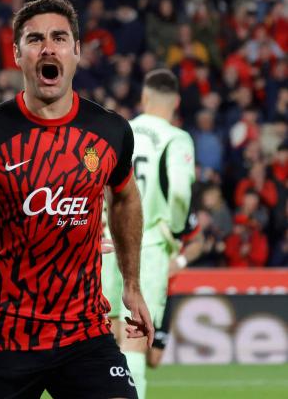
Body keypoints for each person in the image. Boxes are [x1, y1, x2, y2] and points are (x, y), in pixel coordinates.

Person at [0, 0, 152, 399]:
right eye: (35, 40)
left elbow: (124, 198)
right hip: (5, 337)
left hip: (84, 334)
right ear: (18, 54)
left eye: (59, 38)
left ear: (76, 51)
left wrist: (132, 283)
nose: (48, 48)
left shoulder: (110, 131)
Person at [101, 69, 195, 399]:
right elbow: (181, 191)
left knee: (108, 333)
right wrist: (176, 226)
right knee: (136, 339)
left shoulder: (119, 130)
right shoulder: (176, 137)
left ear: (144, 98)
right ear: (176, 103)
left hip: (109, 242)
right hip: (148, 245)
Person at [147, 209, 204, 368]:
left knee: (154, 359)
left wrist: (179, 262)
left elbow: (198, 241)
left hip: (164, 291)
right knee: (131, 345)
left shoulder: (181, 208)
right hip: (137, 287)